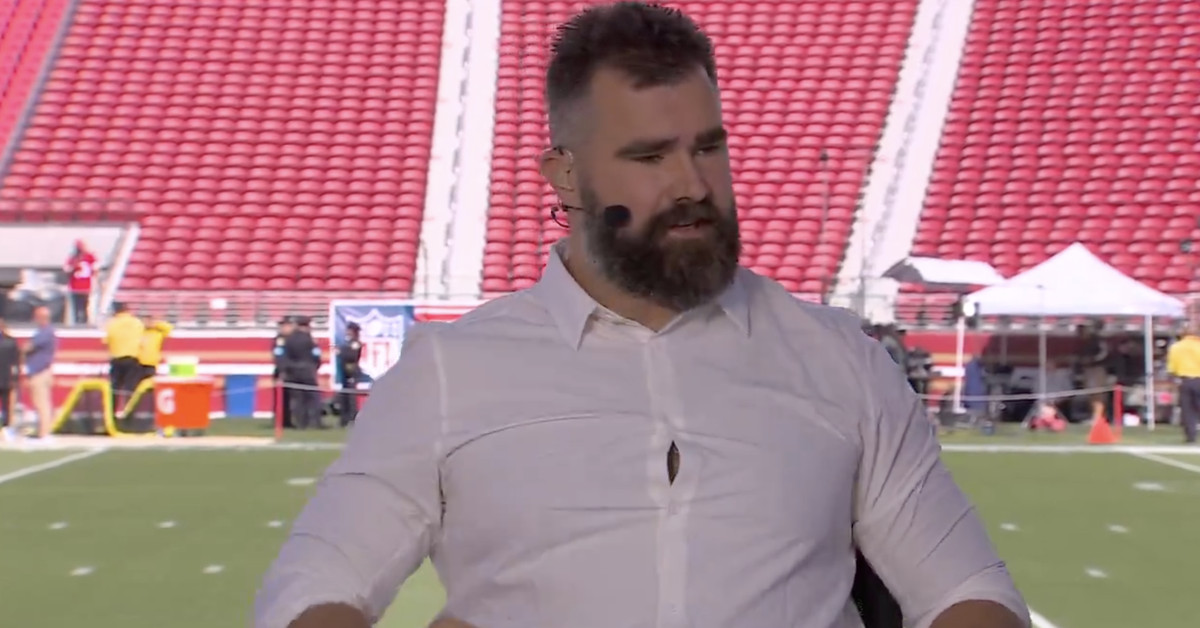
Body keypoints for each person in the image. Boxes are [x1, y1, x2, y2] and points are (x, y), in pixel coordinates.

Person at [254, 4, 1029, 628]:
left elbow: (968, 591)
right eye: (651, 156)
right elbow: (312, 590)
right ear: (565, 176)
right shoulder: (449, 374)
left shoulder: (841, 361)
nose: (693, 184)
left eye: (709, 148)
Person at [282, 316, 322, 430]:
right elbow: (316, 354)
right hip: (307, 370)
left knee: (298, 399)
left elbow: (285, 356)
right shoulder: (310, 340)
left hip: (293, 371)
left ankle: (301, 423)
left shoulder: (289, 339)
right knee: (313, 397)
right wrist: (316, 366)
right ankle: (314, 422)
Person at [103, 302, 144, 411]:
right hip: (132, 358)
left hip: (117, 358)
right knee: (131, 387)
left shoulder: (112, 323)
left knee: (115, 388)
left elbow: (106, 340)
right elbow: (142, 340)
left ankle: (112, 412)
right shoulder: (136, 322)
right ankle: (130, 411)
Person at [24, 306, 56, 439]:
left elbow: (29, 347)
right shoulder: (45, 331)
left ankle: (44, 433)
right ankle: (42, 431)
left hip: (40, 372)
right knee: (40, 403)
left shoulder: (45, 332)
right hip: (40, 371)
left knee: (42, 403)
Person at [1167, 325, 1200, 443]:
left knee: (1187, 409)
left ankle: (1191, 436)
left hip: (1184, 380)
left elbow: (1172, 368)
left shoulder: (1176, 347)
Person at [335, 322, 363, 427]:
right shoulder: (347, 343)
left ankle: (351, 418)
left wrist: (341, 352)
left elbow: (352, 355)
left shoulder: (356, 343)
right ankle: (344, 418)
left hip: (351, 371)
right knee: (344, 396)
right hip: (344, 372)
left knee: (351, 397)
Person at [63, 239, 96, 325]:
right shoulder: (73, 258)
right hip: (76, 287)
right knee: (77, 308)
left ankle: (84, 322)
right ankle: (78, 322)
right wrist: (73, 268)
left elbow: (95, 268)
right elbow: (66, 269)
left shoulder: (89, 257)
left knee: (84, 307)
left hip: (85, 287)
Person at [136, 314, 174, 384]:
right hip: (137, 363)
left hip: (151, 363)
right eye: (145, 321)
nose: (147, 323)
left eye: (149, 321)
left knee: (149, 384)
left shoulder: (158, 333)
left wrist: (156, 324)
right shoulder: (139, 332)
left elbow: (169, 328)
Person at [273, 317, 296, 429]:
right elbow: (279, 357)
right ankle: (281, 421)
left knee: (291, 398)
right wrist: (282, 371)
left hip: (293, 371)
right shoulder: (280, 339)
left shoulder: (294, 339)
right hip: (283, 371)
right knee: (281, 399)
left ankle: (289, 420)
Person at [0, 317, 20, 439]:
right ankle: (6, 427)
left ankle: (6, 428)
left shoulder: (10, 342)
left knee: (6, 404)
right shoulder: (11, 342)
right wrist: (15, 378)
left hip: (5, 377)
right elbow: (16, 362)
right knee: (6, 405)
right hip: (6, 378)